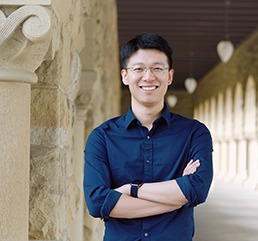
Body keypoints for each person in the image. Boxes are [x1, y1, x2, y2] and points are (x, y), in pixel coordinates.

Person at [84, 33, 213, 241]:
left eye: (157, 68)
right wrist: (178, 197)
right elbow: (98, 203)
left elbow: (198, 189)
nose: (148, 76)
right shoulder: (102, 138)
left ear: (169, 76)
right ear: (125, 76)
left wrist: (130, 190)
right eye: (139, 68)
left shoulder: (194, 133)